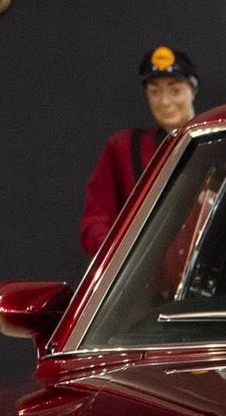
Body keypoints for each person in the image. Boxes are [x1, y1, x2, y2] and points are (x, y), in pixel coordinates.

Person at [80, 46, 199, 258]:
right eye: (155, 92)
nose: (165, 101)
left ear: (193, 90)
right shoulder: (124, 148)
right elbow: (96, 219)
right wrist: (118, 258)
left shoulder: (216, 146)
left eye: (175, 90)